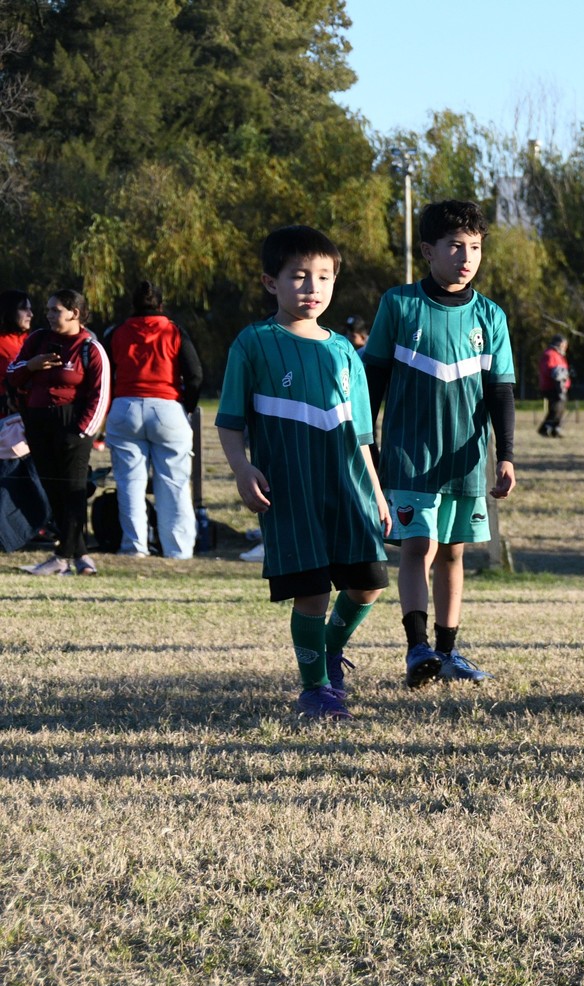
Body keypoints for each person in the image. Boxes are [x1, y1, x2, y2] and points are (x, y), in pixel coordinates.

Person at [214, 226, 390, 719]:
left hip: (349, 487)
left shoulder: (344, 352)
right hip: (289, 490)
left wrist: (375, 492)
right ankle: (315, 689)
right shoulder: (254, 343)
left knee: (369, 582)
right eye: (299, 277)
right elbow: (229, 421)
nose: (313, 288)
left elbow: (360, 433)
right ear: (271, 282)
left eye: (324, 277)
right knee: (311, 591)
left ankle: (331, 649)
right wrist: (242, 468)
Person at [362, 199, 517, 687]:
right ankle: (417, 649)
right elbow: (374, 381)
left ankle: (448, 653)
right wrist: (368, 448)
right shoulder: (400, 305)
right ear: (428, 251)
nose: (466, 257)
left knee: (453, 553)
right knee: (417, 546)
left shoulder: (490, 316)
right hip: (409, 457)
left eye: (474, 247)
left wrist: (506, 456)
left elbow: (501, 392)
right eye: (455, 246)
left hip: (464, 461)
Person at [5, 289, 110, 576]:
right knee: (53, 490)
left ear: (74, 313)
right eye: (48, 309)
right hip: (38, 423)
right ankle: (81, 556)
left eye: (56, 310)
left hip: (72, 425)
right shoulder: (38, 339)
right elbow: (12, 374)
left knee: (74, 489)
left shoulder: (90, 347)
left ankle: (62, 556)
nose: (49, 315)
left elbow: (100, 396)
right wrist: (32, 365)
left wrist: (80, 432)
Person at [102, 280, 203, 559]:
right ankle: (178, 550)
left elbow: (103, 372)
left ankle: (135, 547)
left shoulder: (117, 332)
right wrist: (188, 407)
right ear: (161, 304)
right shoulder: (174, 330)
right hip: (167, 407)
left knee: (129, 483)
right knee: (174, 483)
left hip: (125, 407)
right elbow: (194, 374)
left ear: (133, 303)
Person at [537, 334, 570, 438]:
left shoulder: (558, 355)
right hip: (552, 386)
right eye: (563, 344)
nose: (565, 347)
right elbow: (550, 370)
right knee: (556, 407)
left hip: (560, 386)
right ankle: (546, 428)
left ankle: (555, 428)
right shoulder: (550, 354)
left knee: (560, 407)